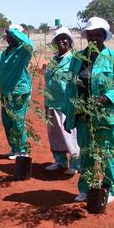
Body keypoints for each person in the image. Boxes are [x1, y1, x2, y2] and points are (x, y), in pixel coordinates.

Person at [63, 17, 114, 204]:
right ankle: (86, 188)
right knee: (87, 153)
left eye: (97, 34)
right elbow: (70, 88)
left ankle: (110, 188)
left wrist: (106, 97)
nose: (93, 37)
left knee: (107, 153)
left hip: (106, 116)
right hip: (83, 116)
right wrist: (69, 116)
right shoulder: (77, 59)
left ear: (104, 36)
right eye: (90, 34)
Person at [0, 24, 33, 159]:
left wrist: (12, 30)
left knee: (17, 122)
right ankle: (14, 148)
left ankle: (22, 150)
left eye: (12, 36)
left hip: (18, 93)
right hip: (6, 93)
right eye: (8, 37)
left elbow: (29, 44)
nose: (9, 39)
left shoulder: (23, 51)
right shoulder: (6, 52)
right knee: (8, 122)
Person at [44, 26, 80, 175]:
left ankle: (76, 164)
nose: (61, 41)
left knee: (70, 135)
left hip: (66, 104)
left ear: (70, 41)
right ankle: (60, 161)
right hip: (51, 103)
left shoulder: (74, 60)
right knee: (55, 135)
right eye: (58, 39)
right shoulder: (53, 60)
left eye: (64, 38)